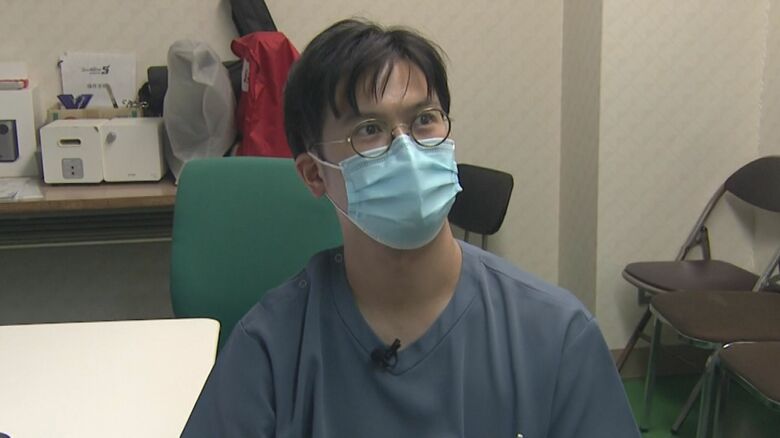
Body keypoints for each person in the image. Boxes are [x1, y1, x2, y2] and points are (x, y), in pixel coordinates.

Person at [182, 18, 641, 438]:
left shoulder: (554, 337)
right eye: (369, 130)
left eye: (424, 121)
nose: (406, 150)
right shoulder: (271, 350)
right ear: (314, 174)